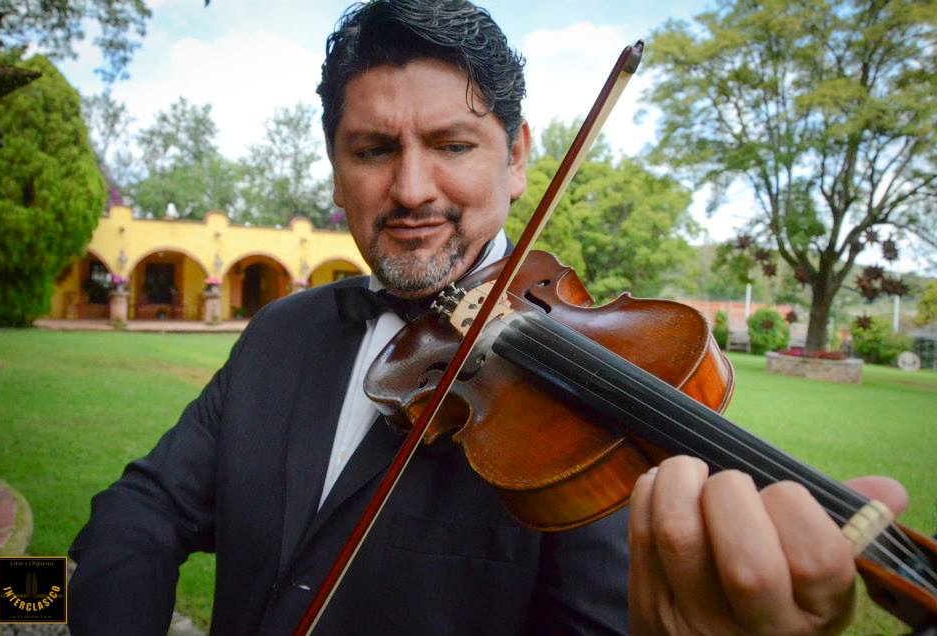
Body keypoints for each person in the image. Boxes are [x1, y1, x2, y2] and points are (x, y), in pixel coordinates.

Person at [68, 1, 907, 635]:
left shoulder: (586, 424)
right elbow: (138, 510)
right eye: (372, 150)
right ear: (334, 171)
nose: (410, 190)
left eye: (454, 144)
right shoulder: (278, 335)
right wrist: (32, 610)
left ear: (519, 159)